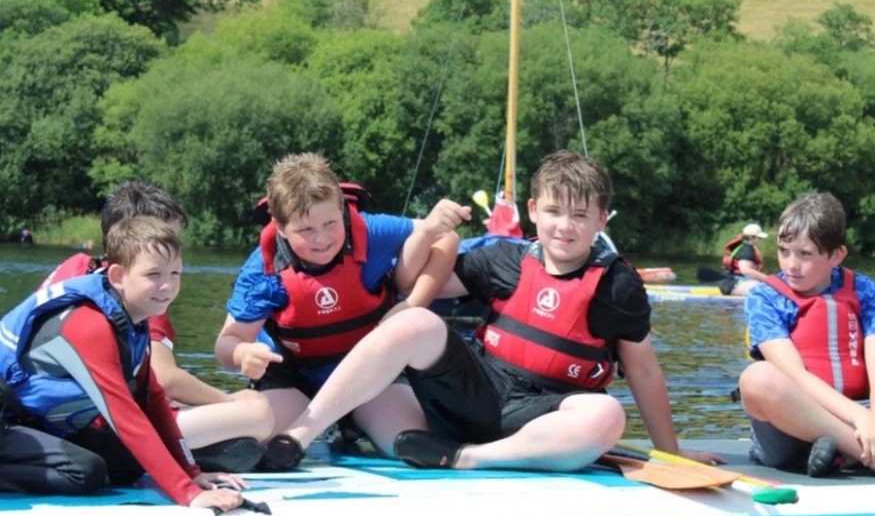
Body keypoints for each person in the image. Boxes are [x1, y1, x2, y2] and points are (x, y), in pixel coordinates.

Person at [279, 150, 724, 472]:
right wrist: (430, 232)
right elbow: (409, 281)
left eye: (579, 216)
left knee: (606, 416)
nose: (564, 226)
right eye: (553, 211)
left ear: (601, 220)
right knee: (414, 322)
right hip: (476, 393)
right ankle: (299, 434)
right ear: (533, 211)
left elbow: (643, 370)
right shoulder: (504, 259)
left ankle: (468, 458)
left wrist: (670, 452)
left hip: (543, 412)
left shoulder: (618, 286)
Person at [214, 153, 466, 470]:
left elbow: (443, 235)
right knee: (249, 439)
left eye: (330, 223)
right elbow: (226, 344)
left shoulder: (371, 232)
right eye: (305, 229)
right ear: (279, 227)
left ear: (342, 210)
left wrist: (412, 303)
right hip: (296, 380)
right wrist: (243, 354)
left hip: (370, 376)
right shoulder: (262, 271)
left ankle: (353, 423)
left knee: (412, 443)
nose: (321, 238)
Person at [0, 217, 244, 510]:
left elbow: (153, 399)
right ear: (118, 276)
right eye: (153, 274)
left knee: (128, 464)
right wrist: (188, 494)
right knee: (85, 472)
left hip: (29, 422)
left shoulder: (132, 320)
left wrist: (191, 473)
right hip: (7, 420)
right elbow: (124, 415)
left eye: (175, 273)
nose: (167, 285)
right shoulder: (90, 325)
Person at [39, 181, 273, 473]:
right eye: (167, 240)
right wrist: (228, 400)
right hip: (101, 429)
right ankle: (191, 453)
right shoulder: (142, 298)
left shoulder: (77, 267)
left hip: (50, 420)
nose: (175, 251)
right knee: (258, 411)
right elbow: (165, 380)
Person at [739, 192, 875, 476]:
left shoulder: (864, 290)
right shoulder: (765, 298)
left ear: (836, 255)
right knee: (756, 378)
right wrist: (861, 418)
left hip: (862, 412)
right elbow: (795, 375)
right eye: (784, 251)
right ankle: (860, 451)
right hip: (791, 422)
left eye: (805, 254)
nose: (791, 265)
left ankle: (843, 452)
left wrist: (871, 417)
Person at [719, 223, 770, 296]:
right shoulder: (746, 249)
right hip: (732, 284)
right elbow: (746, 270)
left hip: (732, 282)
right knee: (765, 289)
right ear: (751, 237)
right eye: (759, 238)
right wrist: (768, 279)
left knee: (765, 286)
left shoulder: (743, 246)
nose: (761, 240)